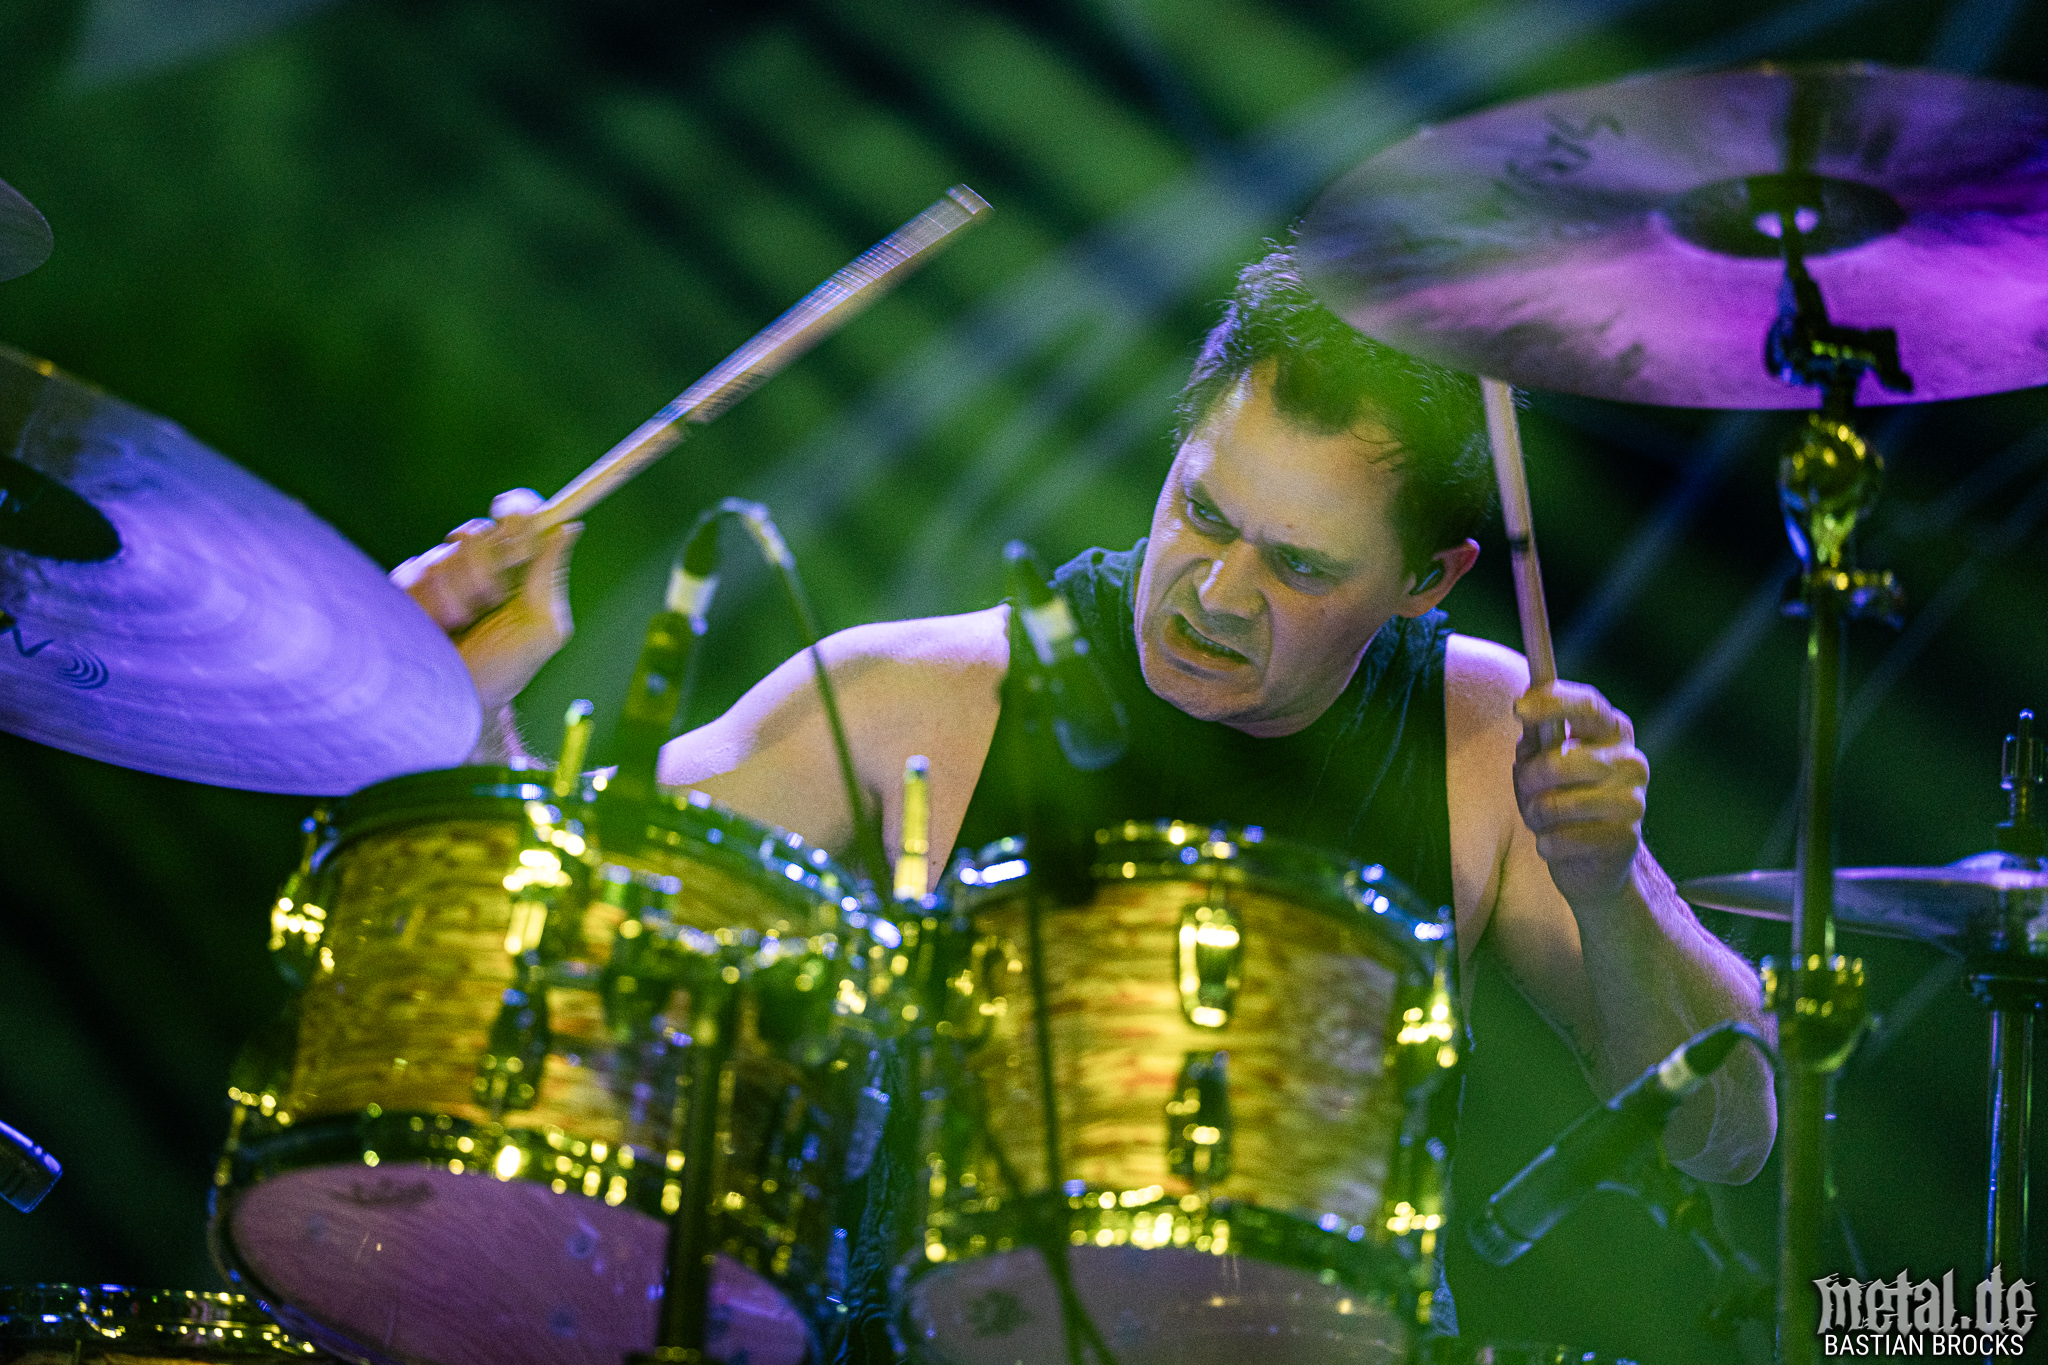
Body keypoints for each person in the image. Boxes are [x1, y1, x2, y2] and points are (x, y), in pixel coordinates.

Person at [395, 242, 1776, 1338]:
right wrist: (467, 703)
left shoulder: (1483, 739)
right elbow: (562, 911)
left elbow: (1730, 1132)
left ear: (1428, 579)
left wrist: (1609, 892)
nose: (1216, 592)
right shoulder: (924, 699)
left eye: (1299, 566)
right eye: (1203, 512)